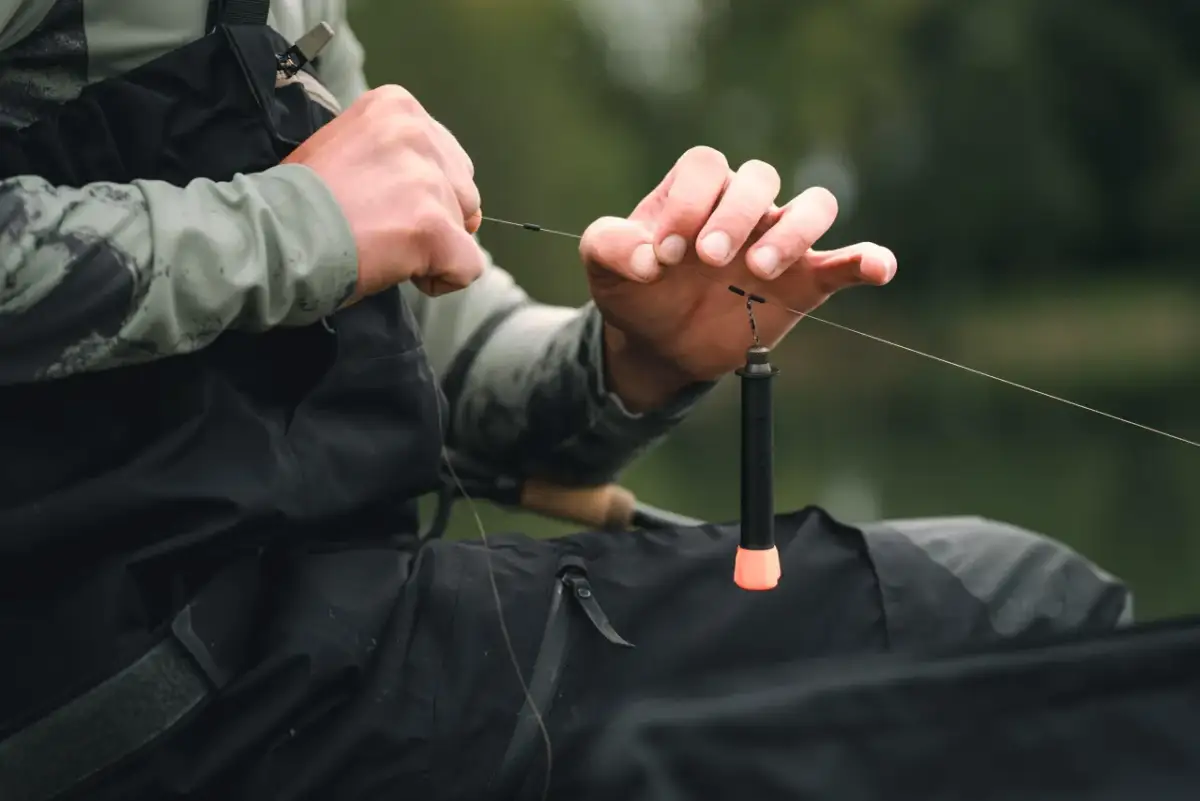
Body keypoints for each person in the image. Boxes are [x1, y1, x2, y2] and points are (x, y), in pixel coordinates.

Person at [0, 1, 1132, 800]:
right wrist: (292, 224)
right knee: (1009, 614)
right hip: (123, 708)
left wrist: (632, 358)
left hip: (298, 637)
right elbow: (313, 227)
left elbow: (451, 358)